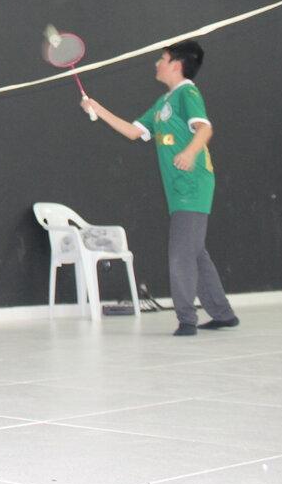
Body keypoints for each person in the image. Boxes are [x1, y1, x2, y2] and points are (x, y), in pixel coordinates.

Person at [81, 40, 238, 337]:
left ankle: (187, 319)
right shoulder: (163, 102)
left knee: (181, 253)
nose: (157, 63)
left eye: (162, 59)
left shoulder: (187, 93)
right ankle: (223, 313)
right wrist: (96, 108)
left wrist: (190, 152)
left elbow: (205, 128)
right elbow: (133, 131)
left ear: (176, 65)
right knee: (195, 251)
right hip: (178, 188)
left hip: (193, 183)